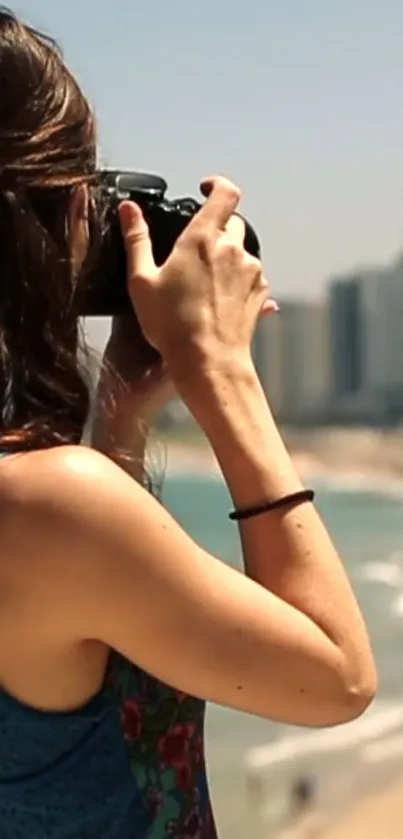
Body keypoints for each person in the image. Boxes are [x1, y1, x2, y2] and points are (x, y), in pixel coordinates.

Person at [0, 9, 376, 839]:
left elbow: (67, 634)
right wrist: (222, 370)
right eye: (80, 188)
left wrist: (120, 425)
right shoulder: (46, 507)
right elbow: (336, 678)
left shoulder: (49, 506)